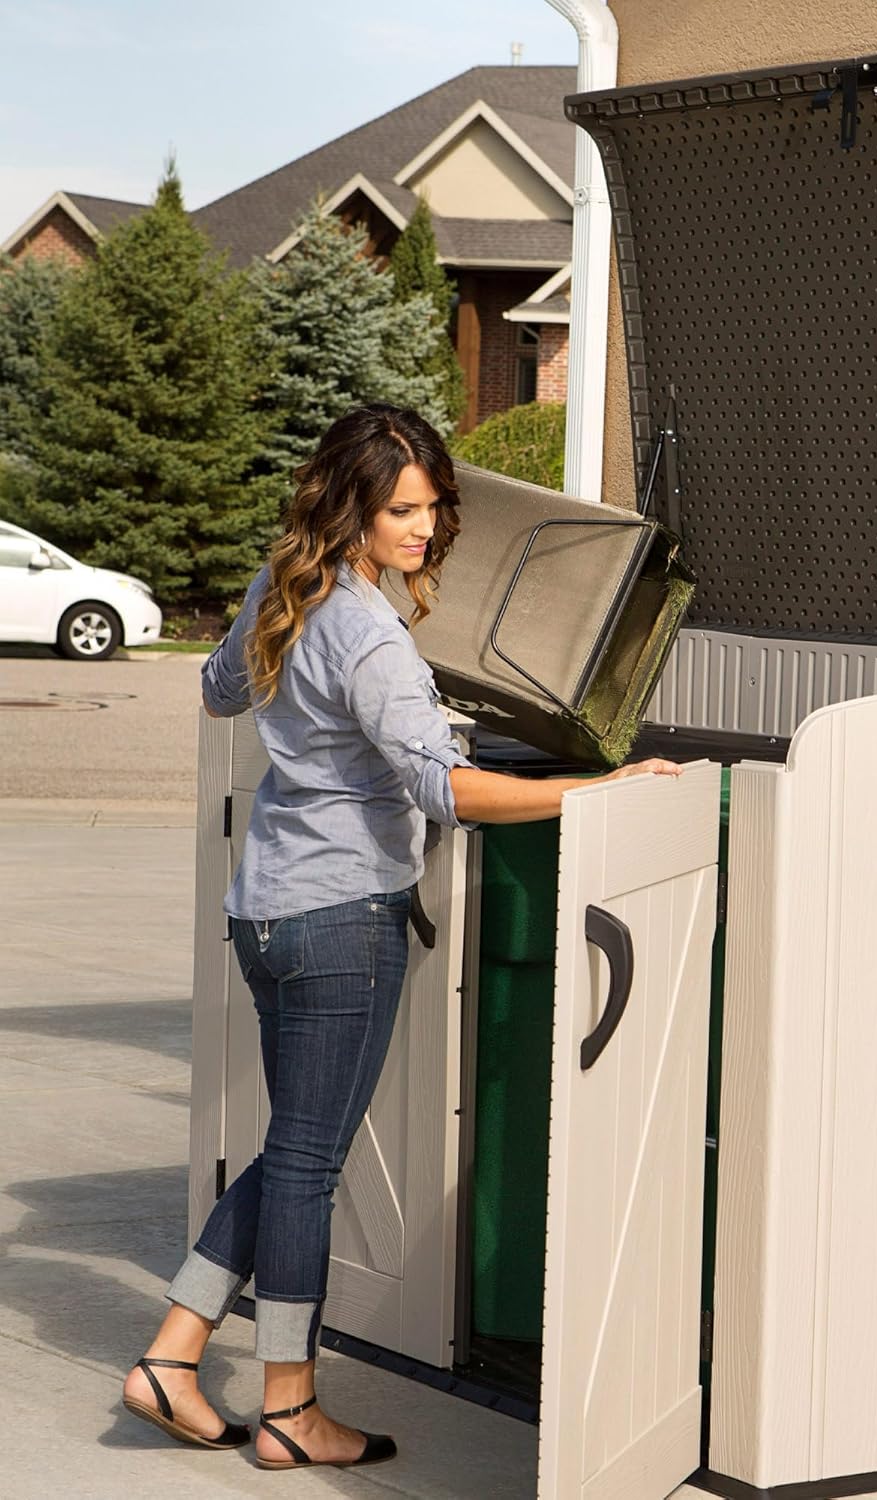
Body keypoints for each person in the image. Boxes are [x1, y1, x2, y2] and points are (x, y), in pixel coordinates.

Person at [121, 403, 679, 1470]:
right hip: (340, 916)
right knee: (309, 1163)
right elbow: (448, 790)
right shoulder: (370, 629)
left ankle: (173, 1353)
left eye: (432, 508)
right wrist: (598, 788)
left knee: (294, 1147)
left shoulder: (291, 585)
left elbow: (220, 687)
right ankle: (289, 1406)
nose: (423, 530)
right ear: (356, 509)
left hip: (269, 908)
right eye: (403, 511)